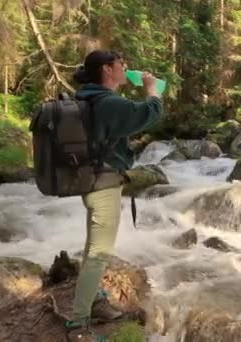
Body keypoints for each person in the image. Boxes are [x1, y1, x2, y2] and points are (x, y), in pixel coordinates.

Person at [66, 50, 162, 330]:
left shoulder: (87, 96)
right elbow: (149, 113)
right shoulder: (108, 102)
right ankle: (78, 323)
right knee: (99, 253)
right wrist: (152, 90)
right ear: (107, 70)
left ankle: (93, 297)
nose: (125, 67)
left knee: (91, 246)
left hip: (90, 179)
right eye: (122, 64)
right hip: (103, 182)